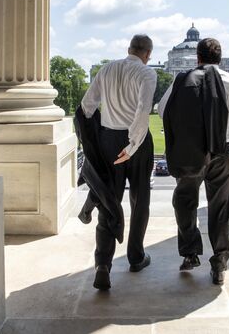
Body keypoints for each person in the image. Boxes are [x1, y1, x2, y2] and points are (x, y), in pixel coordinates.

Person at [158, 38, 229, 285]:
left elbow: (162, 109)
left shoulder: (182, 81)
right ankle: (220, 261)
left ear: (198, 58)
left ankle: (191, 253)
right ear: (220, 59)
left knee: (184, 202)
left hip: (191, 152)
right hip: (226, 153)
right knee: (220, 208)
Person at [80, 34, 157, 290]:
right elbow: (142, 112)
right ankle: (136, 257)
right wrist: (132, 145)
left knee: (108, 200)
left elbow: (87, 106)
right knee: (140, 198)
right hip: (136, 141)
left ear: (129, 49)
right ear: (147, 54)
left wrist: (95, 137)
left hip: (108, 140)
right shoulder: (147, 74)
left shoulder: (107, 68)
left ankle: (103, 263)